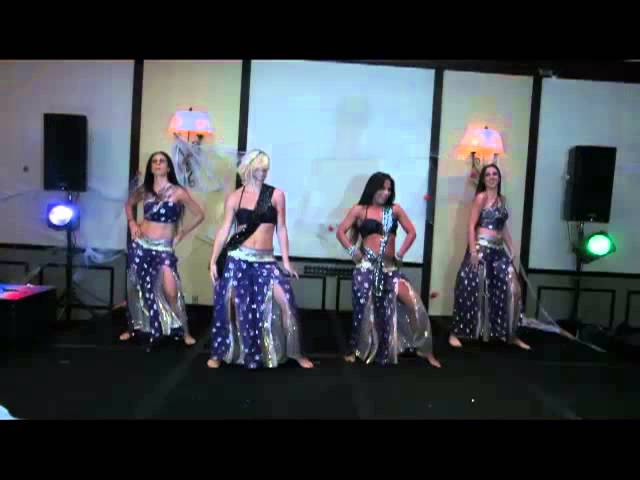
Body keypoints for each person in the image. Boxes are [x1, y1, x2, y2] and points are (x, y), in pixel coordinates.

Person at [206, 149, 314, 369]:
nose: (264, 173)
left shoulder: (276, 195)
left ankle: (295, 352)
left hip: (265, 261)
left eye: (266, 169)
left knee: (286, 302)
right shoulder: (235, 197)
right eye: (259, 169)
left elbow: (281, 228)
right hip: (238, 258)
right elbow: (225, 229)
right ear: (248, 168)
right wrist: (213, 260)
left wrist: (285, 261)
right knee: (229, 305)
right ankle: (220, 352)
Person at [336, 172, 441, 367]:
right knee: (364, 312)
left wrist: (400, 254)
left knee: (415, 304)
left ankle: (424, 349)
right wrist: (352, 251)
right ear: (373, 187)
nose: (386, 192)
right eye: (382, 188)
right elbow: (340, 231)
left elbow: (412, 232)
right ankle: (357, 350)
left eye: (389, 189)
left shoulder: (394, 210)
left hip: (390, 269)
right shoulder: (360, 210)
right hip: (367, 268)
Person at [120, 151, 204, 348]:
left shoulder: (178, 192)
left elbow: (199, 214)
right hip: (142, 244)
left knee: (171, 291)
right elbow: (128, 204)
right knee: (135, 287)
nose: (158, 164)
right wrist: (132, 223)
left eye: (162, 161)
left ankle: (185, 331)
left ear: (168, 167)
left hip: (163, 248)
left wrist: (182, 233)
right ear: (151, 167)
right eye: (154, 161)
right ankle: (132, 327)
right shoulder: (146, 190)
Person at [449, 164, 530, 350]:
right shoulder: (481, 197)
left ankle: (509, 334)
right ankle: (455, 332)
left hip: (498, 251)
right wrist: (473, 251)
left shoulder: (502, 199)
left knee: (512, 288)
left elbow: (502, 226)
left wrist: (512, 247)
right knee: (469, 288)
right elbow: (471, 226)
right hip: (481, 248)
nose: (492, 177)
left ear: (499, 178)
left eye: (495, 174)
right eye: (488, 174)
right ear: (483, 179)